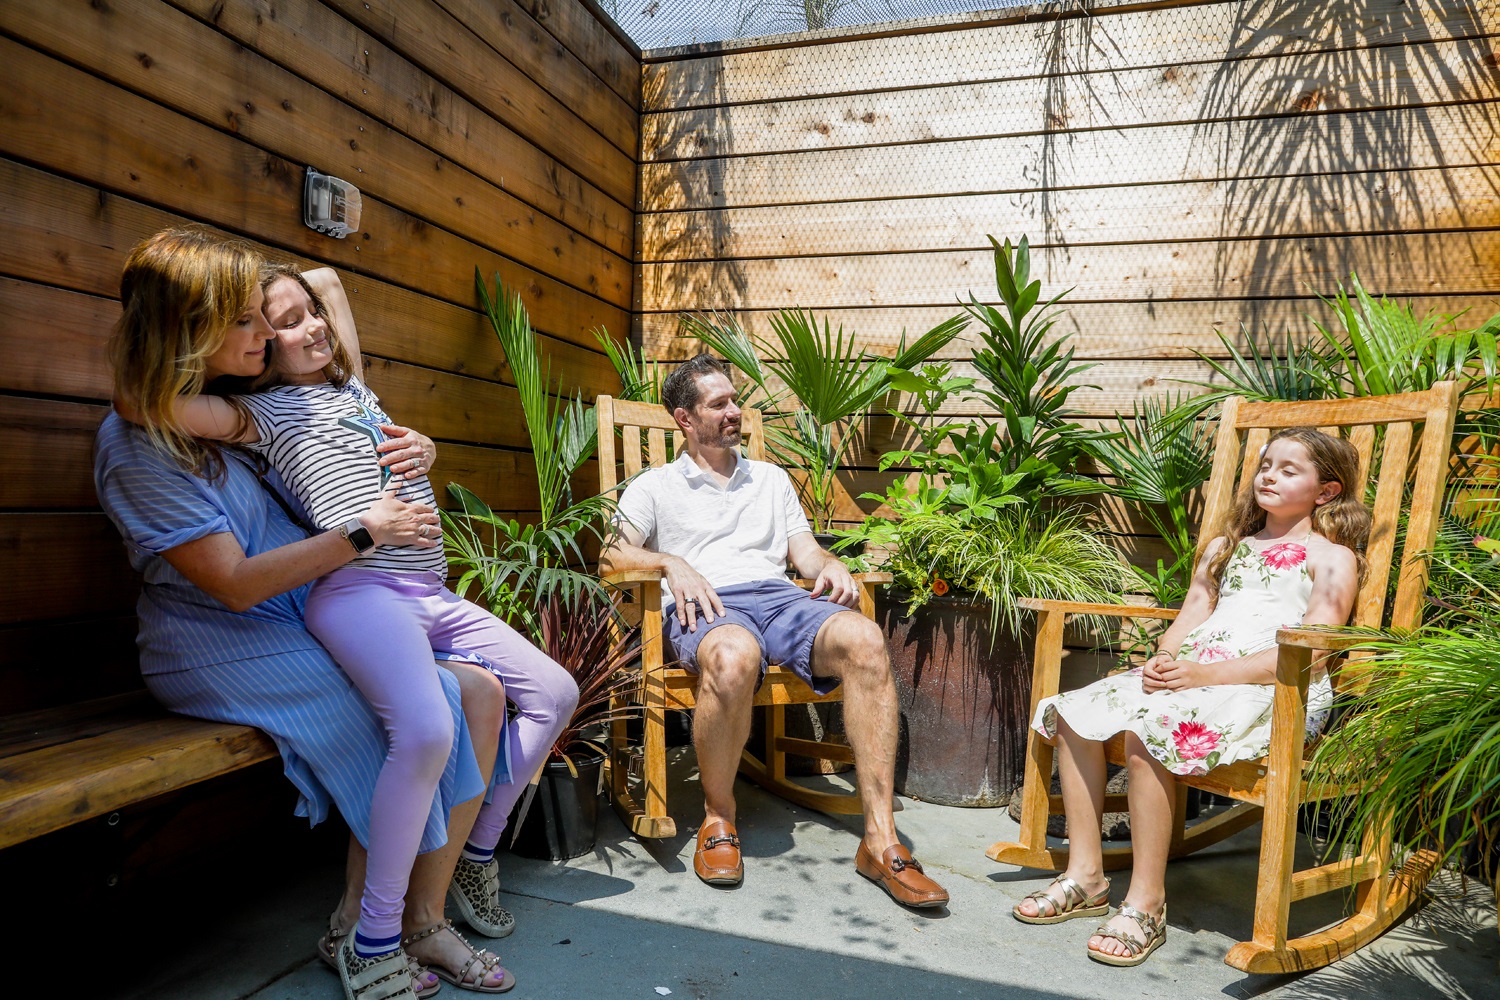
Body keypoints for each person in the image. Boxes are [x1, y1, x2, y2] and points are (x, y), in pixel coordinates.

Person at [114, 249, 578, 997]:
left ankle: (465, 869)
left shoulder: (351, 389)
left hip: (421, 591)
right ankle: (370, 932)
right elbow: (143, 404)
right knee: (422, 727)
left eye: (302, 317)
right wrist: (370, 526)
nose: (299, 329)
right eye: (270, 324)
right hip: (345, 596)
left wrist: (419, 444)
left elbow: (329, 290)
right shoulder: (257, 414)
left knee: (539, 692)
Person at [598, 353, 949, 909]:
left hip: (780, 598)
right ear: (684, 418)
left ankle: (882, 841)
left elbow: (803, 551)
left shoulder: (770, 479)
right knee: (734, 656)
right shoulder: (654, 486)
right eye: (720, 404)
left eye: (735, 400)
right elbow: (611, 553)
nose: (735, 411)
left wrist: (828, 563)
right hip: (707, 606)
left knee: (866, 641)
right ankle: (719, 817)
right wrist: (670, 563)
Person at [1011, 427, 1369, 967]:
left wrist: (1206, 675)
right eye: (1265, 464)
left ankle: (1146, 904)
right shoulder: (1227, 548)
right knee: (1077, 714)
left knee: (1146, 733)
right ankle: (1084, 874)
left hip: (1274, 689)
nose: (1268, 474)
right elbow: (1192, 614)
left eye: (1289, 470)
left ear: (1326, 491)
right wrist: (1164, 656)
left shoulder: (1331, 557)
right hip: (1194, 675)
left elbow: (1314, 650)